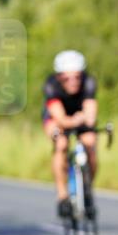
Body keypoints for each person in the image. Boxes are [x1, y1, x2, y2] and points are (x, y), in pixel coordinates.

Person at [43, 50, 98, 219]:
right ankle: (62, 196)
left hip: (79, 116)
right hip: (58, 117)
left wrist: (84, 120)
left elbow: (91, 116)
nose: (73, 82)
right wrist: (76, 120)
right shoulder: (51, 85)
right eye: (68, 78)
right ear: (59, 77)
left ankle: (87, 187)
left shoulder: (89, 82)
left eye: (77, 77)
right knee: (61, 144)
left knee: (90, 141)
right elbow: (60, 119)